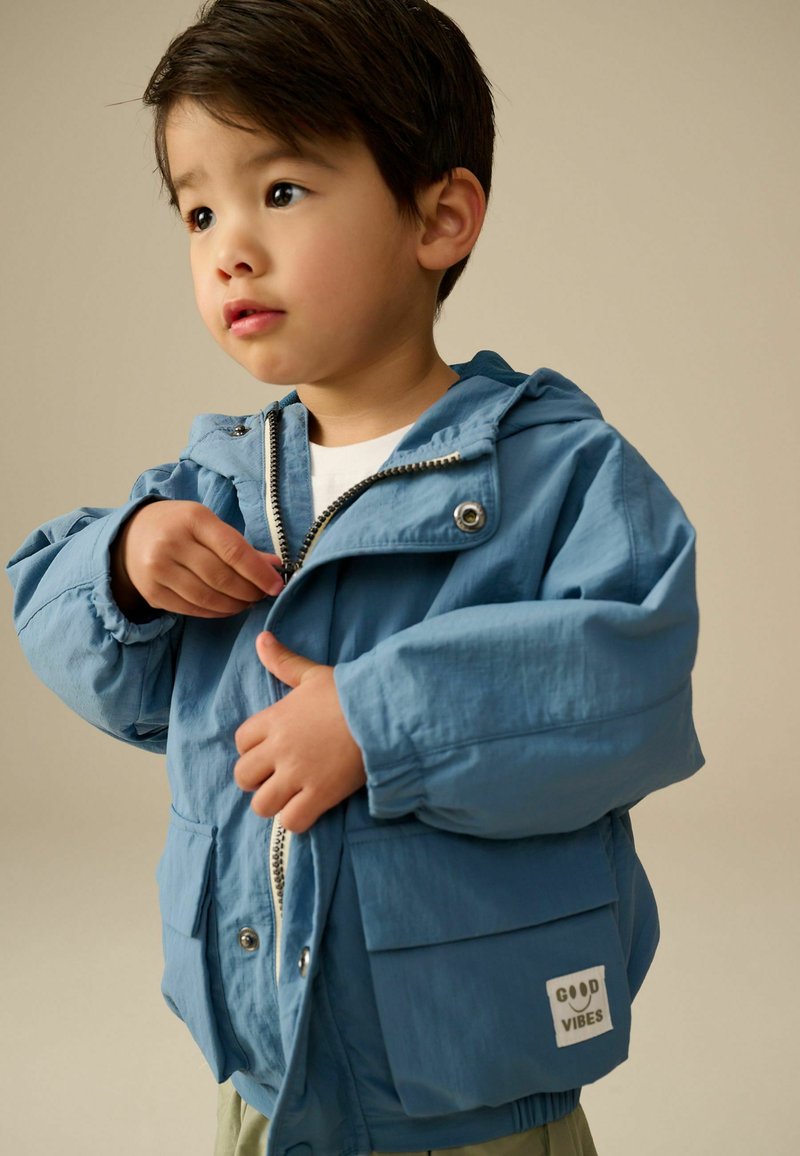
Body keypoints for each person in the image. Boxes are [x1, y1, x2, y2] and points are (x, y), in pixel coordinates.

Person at [6, 1, 704, 1153]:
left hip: (472, 1085)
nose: (228, 245)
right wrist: (121, 566)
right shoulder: (216, 488)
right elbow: (71, 639)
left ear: (438, 217)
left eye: (279, 190)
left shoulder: (558, 472)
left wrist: (381, 724)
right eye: (198, 210)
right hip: (266, 1072)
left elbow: (622, 684)